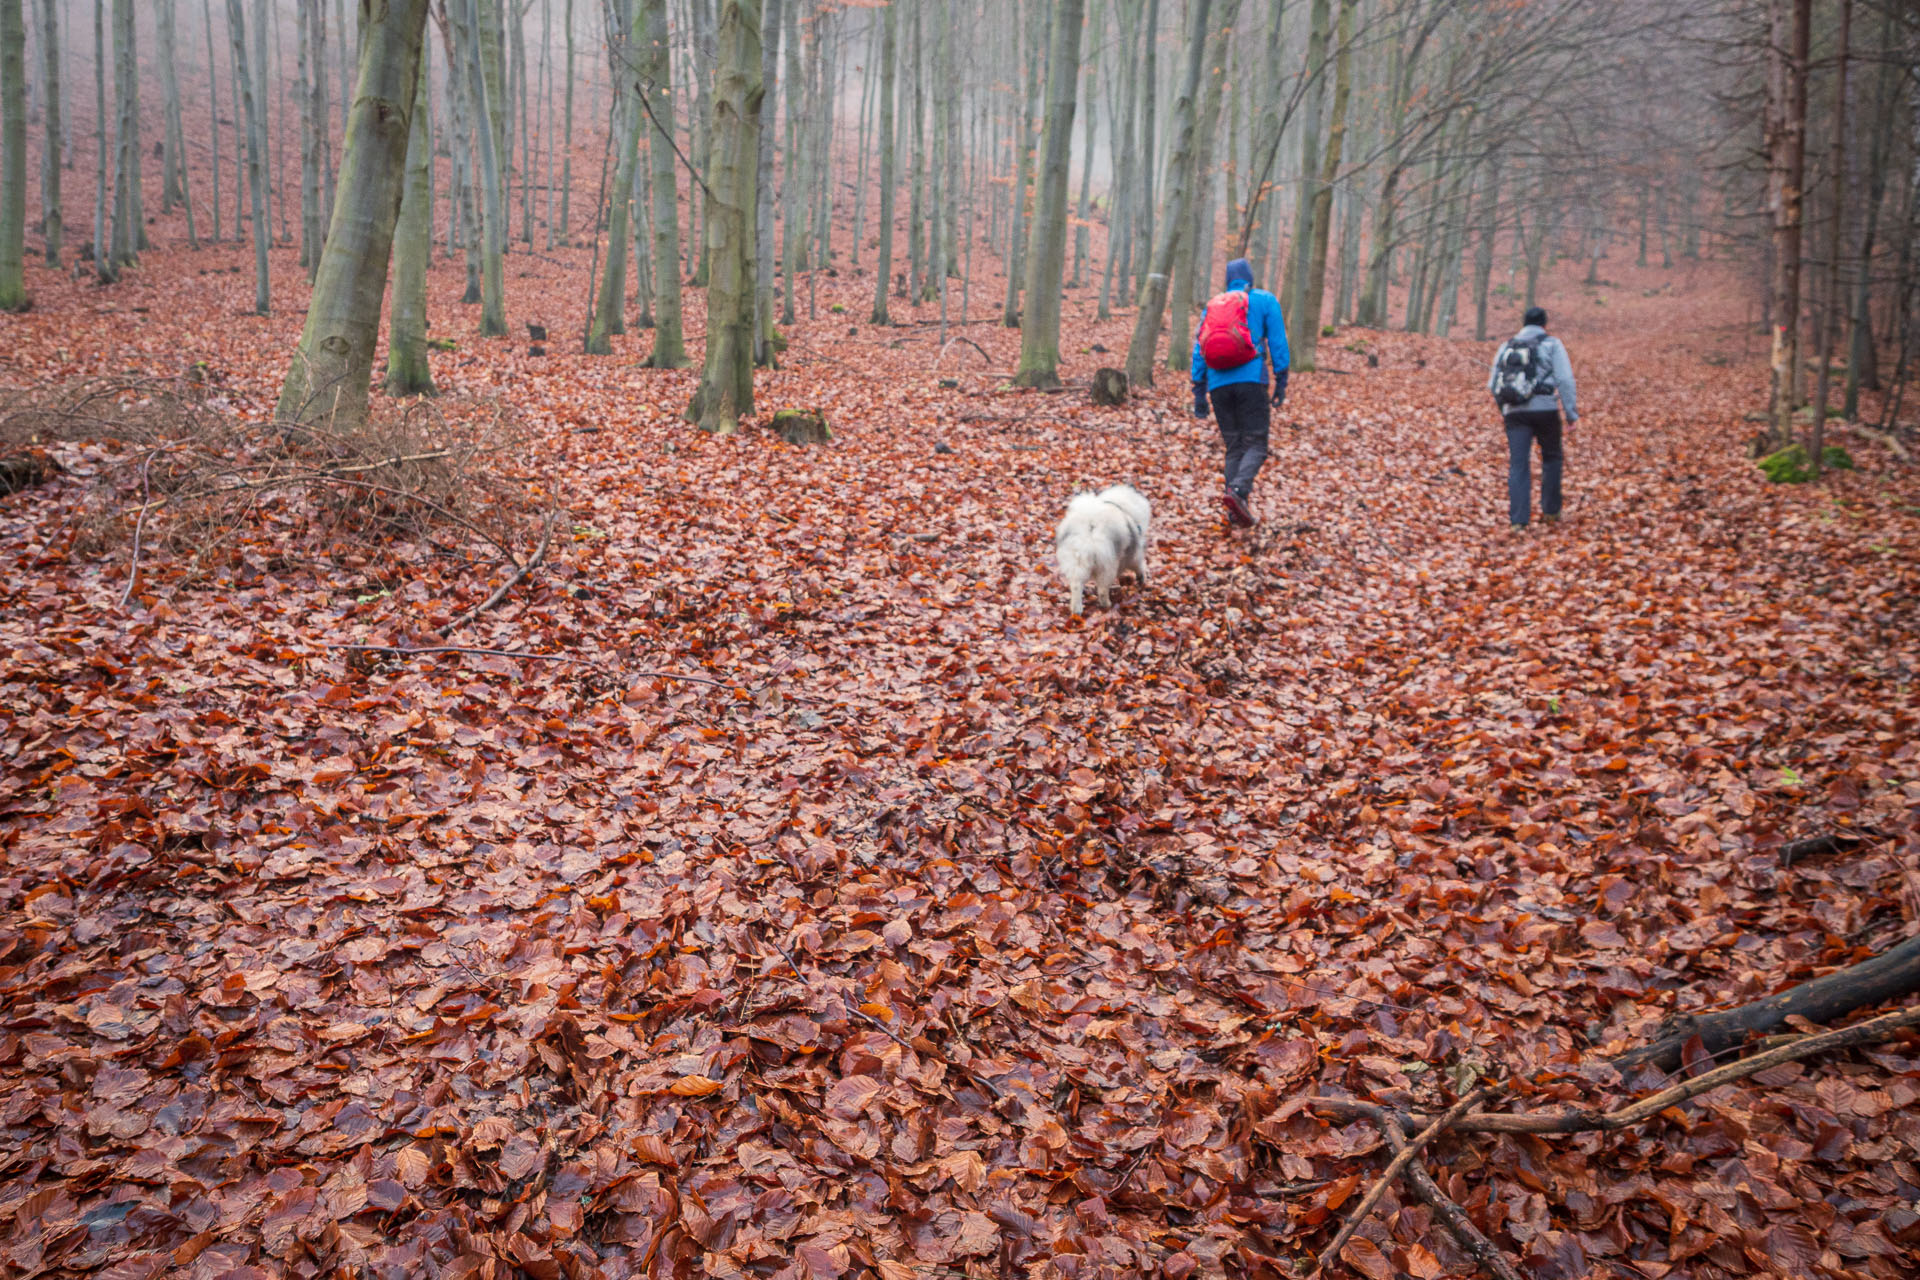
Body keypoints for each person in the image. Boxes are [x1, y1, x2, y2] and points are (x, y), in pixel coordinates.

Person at [1192, 258, 1289, 528]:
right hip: (1251, 380)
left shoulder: (1213, 307)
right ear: (1250, 278)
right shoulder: (1264, 300)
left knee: (1234, 446)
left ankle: (1235, 511)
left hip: (1217, 384)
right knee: (1256, 443)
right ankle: (1238, 492)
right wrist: (1282, 378)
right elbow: (1278, 341)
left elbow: (1199, 348)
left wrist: (1198, 390)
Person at [1488, 306, 1579, 528]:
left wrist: (1505, 409)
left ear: (1523, 323)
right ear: (1544, 324)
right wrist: (1570, 414)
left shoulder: (1507, 346)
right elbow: (1565, 379)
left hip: (1515, 412)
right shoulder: (1552, 344)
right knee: (1552, 457)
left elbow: (1493, 384)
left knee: (1518, 464)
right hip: (1546, 409)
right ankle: (1551, 511)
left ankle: (1518, 521)